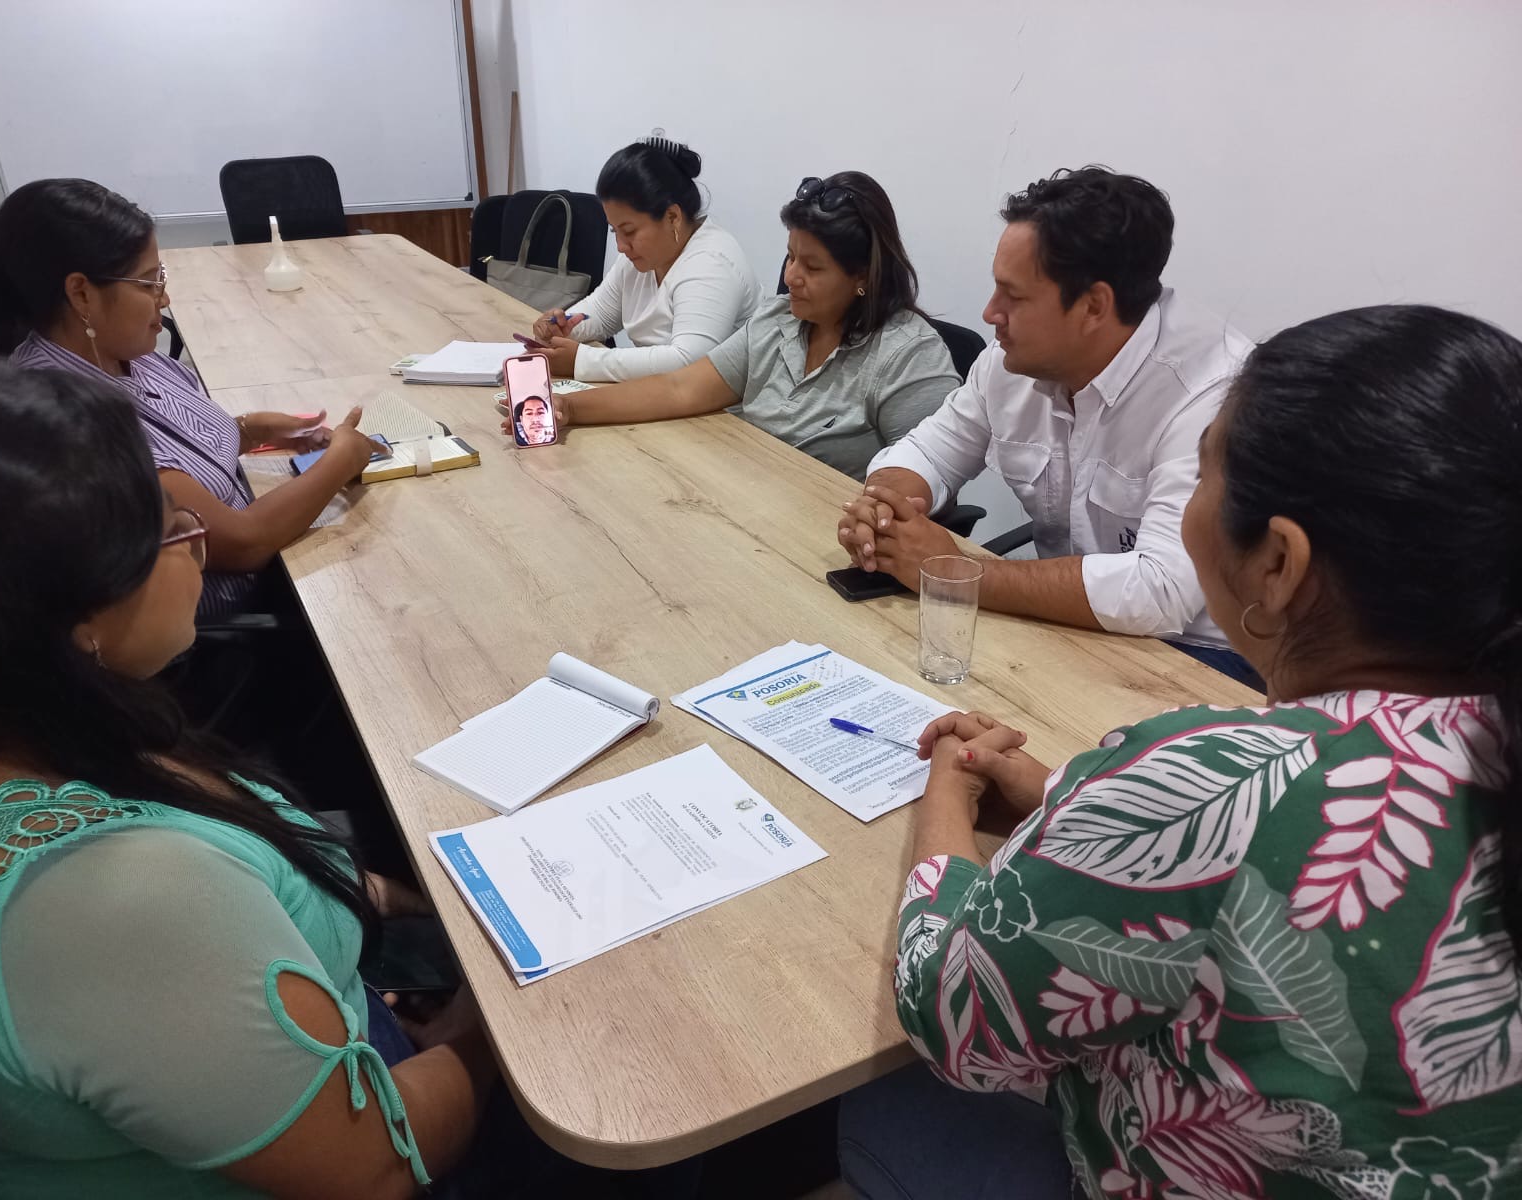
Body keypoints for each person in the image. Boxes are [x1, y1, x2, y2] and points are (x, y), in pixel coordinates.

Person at [840, 305, 1522, 1199]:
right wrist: (1069, 799)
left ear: (1278, 563)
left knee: (872, 1103)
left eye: (1202, 475)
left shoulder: (1212, 777)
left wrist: (946, 800)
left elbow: (950, 1015)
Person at [0, 366, 495, 1198]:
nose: (199, 542)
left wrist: (410, 906)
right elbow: (374, 1166)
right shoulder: (106, 901)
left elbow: (255, 881)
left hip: (340, 1038)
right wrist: (488, 1016)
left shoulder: (26, 737)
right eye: (171, 531)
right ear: (77, 618)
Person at [838, 167, 1255, 682]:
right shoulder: (1012, 361)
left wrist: (961, 572)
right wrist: (884, 512)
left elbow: (1159, 592)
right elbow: (929, 451)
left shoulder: (1213, 394)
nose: (989, 313)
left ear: (1093, 306)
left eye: (1012, 296)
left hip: (1201, 658)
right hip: (1063, 629)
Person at [0, 177, 383, 618]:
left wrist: (251, 430)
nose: (163, 299)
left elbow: (181, 453)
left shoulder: (123, 354)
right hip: (241, 625)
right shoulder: (70, 420)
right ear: (81, 294)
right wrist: (341, 459)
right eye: (147, 283)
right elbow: (244, 543)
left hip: (280, 569)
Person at [502, 172, 959, 479]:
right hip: (744, 496)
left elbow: (924, 478)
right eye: (790, 257)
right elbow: (680, 388)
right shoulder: (778, 320)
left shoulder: (908, 356)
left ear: (863, 276)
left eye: (813, 267)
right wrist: (570, 408)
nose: (790, 277)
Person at [530, 136, 760, 382]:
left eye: (629, 231)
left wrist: (582, 361)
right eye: (615, 231)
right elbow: (601, 312)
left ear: (672, 217)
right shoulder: (644, 257)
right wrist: (563, 327)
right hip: (663, 393)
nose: (621, 246)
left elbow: (689, 362)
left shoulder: (712, 263)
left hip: (721, 404)